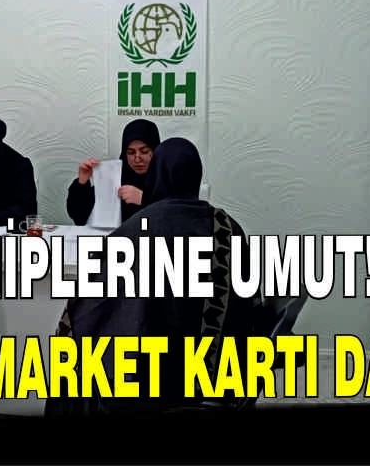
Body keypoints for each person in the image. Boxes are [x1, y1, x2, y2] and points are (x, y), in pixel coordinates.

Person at [46, 138, 270, 416]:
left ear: (156, 174)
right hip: (216, 374)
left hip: (145, 379)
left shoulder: (135, 229)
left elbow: (90, 304)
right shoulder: (225, 227)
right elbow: (246, 300)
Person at [66, 119, 161, 226]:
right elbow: (79, 214)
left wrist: (144, 199)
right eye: (130, 152)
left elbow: (173, 220)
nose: (137, 159)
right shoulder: (116, 178)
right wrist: (82, 182)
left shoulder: (166, 180)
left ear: (156, 151)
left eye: (144, 151)